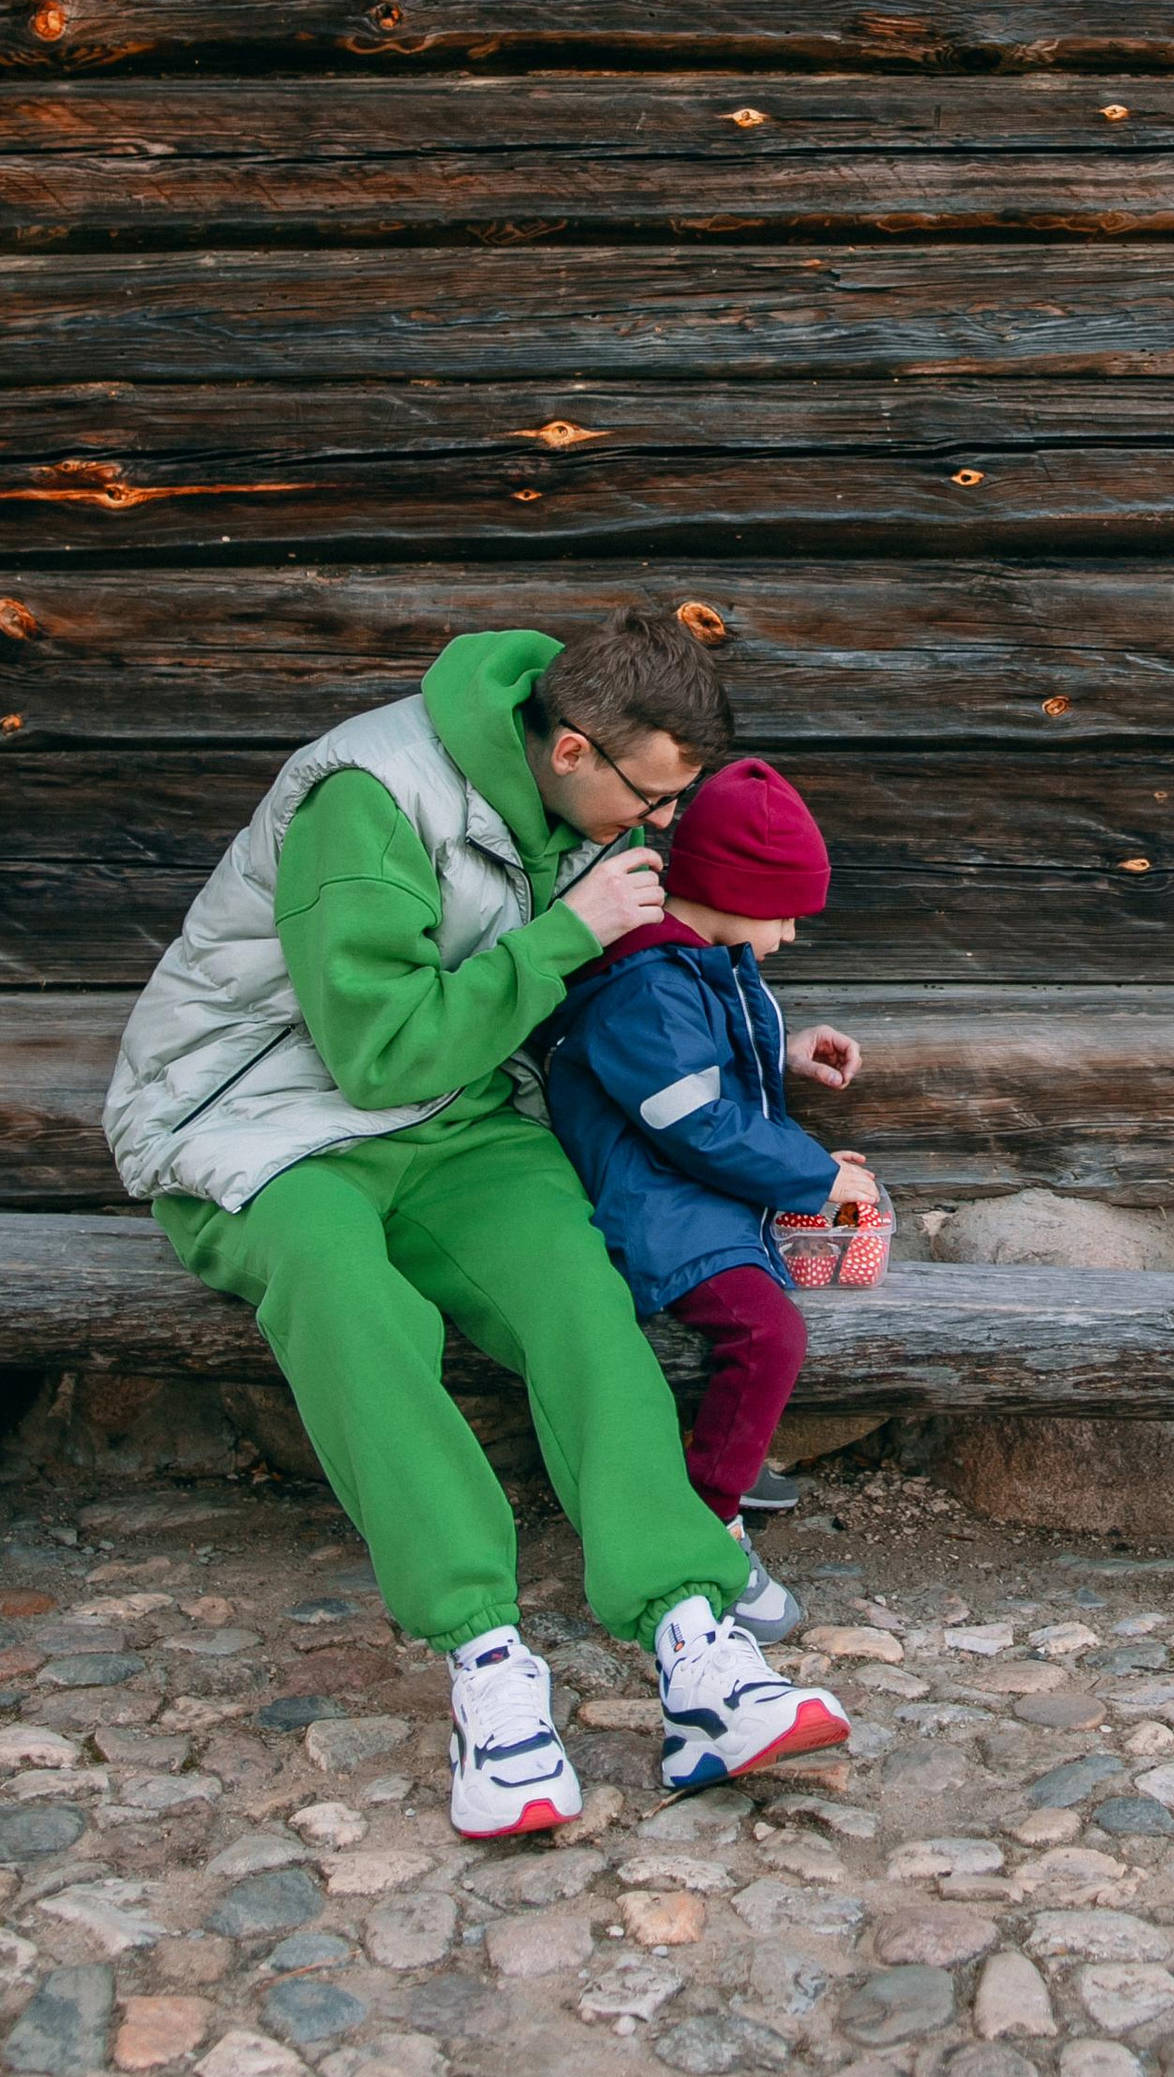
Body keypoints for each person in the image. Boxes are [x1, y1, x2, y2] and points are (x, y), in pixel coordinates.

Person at [101, 615, 851, 1830]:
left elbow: (633, 1000)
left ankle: (691, 1636)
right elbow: (378, 1052)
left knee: (574, 1285)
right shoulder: (368, 799)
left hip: (459, 1115)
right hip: (260, 1122)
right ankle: (486, 1663)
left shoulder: (582, 810)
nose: (661, 825)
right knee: (349, 1296)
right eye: (650, 797)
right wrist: (571, 929)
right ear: (570, 753)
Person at [539, 759, 878, 1644]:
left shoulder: (696, 960)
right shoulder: (647, 985)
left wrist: (786, 1055)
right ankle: (706, 1510)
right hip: (657, 1205)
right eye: (786, 913)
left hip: (704, 1189)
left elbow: (702, 1074)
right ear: (732, 890)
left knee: (811, 1281)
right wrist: (812, 1174)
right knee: (768, 1333)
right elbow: (690, 1121)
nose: (793, 935)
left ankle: (727, 1459)